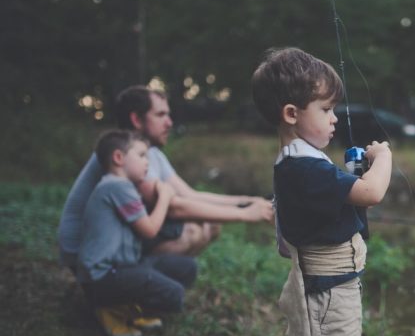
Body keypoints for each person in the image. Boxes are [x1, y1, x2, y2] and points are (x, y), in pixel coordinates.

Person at [251, 47, 393, 336]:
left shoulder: (305, 161)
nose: (334, 118)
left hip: (337, 284)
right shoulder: (302, 167)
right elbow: (370, 194)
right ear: (292, 113)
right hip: (326, 290)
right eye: (327, 109)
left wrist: (353, 171)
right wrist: (383, 158)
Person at [57, 85, 274, 270]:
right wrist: (245, 215)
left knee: (210, 225)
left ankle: (147, 289)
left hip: (114, 241)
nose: (169, 123)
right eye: (160, 115)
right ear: (136, 119)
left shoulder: (150, 153)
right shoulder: (125, 159)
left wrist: (247, 200)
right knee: (192, 230)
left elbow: (189, 194)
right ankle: (129, 295)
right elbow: (175, 207)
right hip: (84, 252)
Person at [78, 130, 197, 336]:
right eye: (142, 156)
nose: (147, 163)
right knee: (174, 294)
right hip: (103, 277)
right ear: (118, 158)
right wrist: (165, 196)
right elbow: (150, 229)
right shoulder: (116, 187)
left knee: (187, 267)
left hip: (123, 268)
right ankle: (111, 310)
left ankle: (128, 308)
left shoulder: (122, 187)